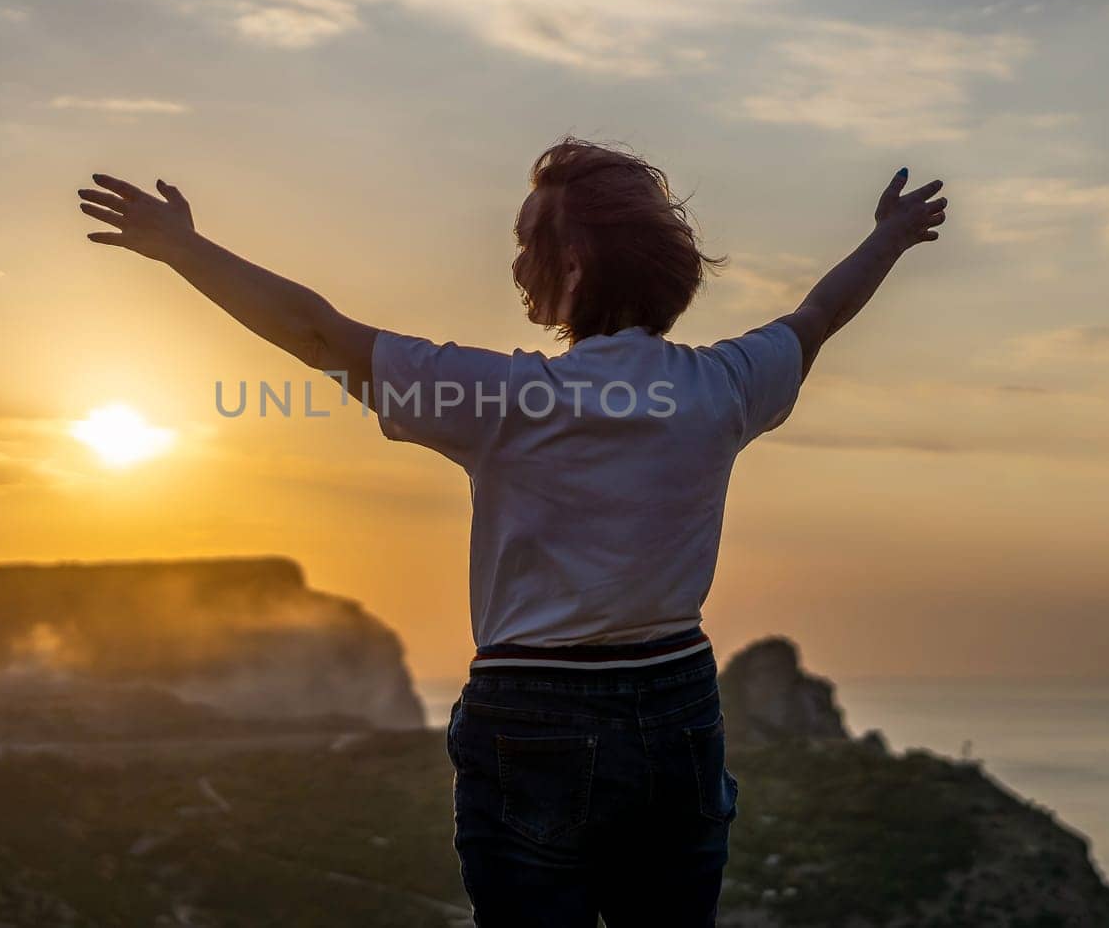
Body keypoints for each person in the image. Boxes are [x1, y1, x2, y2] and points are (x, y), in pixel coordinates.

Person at [76, 138, 948, 926]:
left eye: (527, 238)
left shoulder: (499, 400)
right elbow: (819, 316)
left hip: (534, 713)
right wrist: (890, 237)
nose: (515, 258)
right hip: (677, 702)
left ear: (571, 262)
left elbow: (316, 333)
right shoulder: (722, 386)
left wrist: (183, 250)